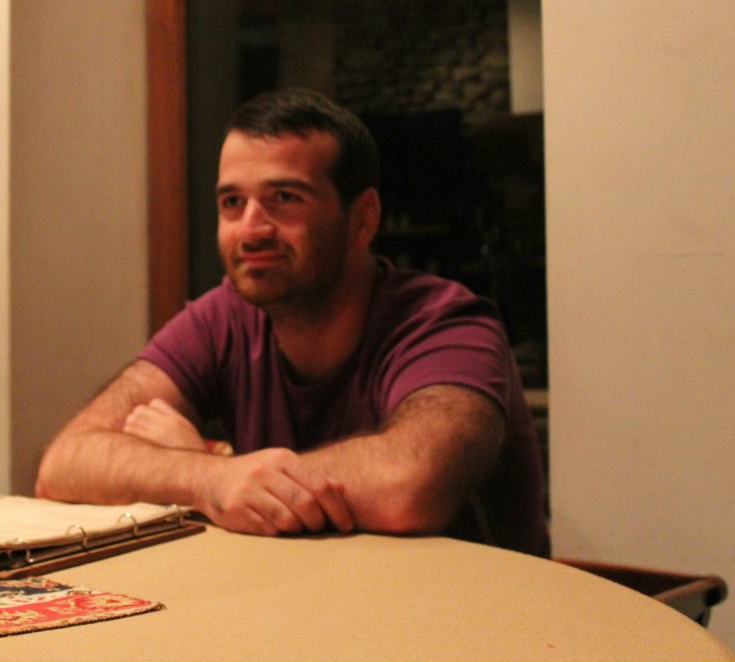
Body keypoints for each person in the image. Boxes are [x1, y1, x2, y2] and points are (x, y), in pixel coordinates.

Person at [35, 88, 549, 556]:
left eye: (285, 198)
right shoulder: (224, 316)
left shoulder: (445, 324)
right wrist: (209, 477)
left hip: (472, 614)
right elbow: (66, 461)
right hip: (319, 605)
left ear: (363, 218)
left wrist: (223, 470)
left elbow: (408, 485)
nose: (251, 229)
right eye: (232, 202)